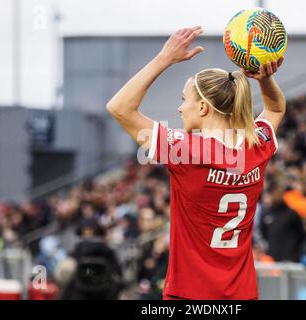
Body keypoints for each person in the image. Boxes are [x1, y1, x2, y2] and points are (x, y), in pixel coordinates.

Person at [107, 26, 285, 299]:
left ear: (203, 108)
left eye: (183, 100)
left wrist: (164, 58)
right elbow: (275, 108)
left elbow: (119, 107)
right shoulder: (256, 145)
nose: (179, 108)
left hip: (189, 295)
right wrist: (264, 79)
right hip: (241, 294)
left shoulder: (185, 151)